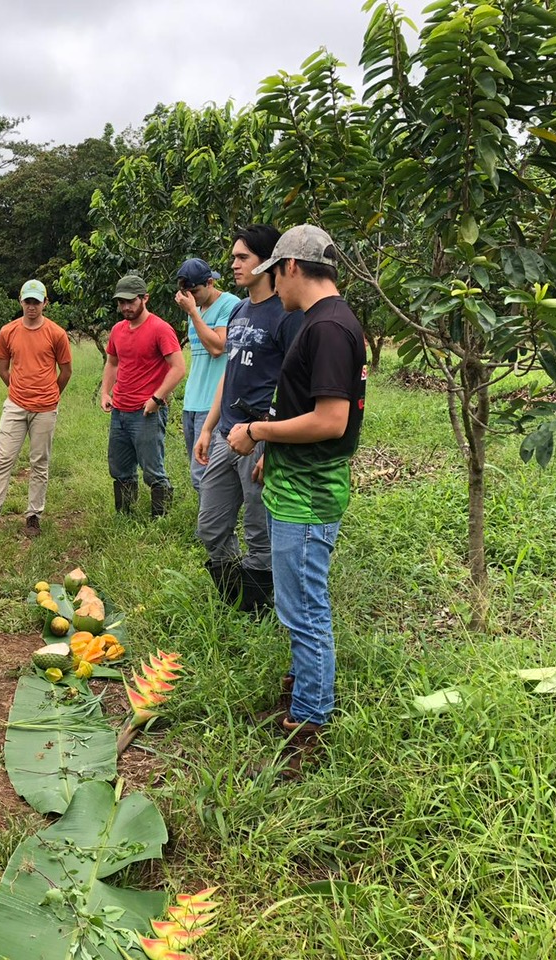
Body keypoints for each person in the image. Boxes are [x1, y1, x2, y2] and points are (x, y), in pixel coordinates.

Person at [226, 223, 366, 781]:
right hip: (294, 480)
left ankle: (310, 720)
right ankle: (302, 690)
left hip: (309, 496)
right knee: (295, 602)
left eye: (270, 274)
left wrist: (258, 432)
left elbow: (332, 421)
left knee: (305, 608)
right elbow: (304, 407)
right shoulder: (319, 321)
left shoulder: (329, 327)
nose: (269, 287)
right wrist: (274, 449)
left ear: (289, 268)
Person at [193, 225, 304, 612]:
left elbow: (294, 385)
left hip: (260, 437)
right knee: (210, 526)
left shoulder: (287, 314)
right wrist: (208, 427)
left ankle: (251, 612)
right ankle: (234, 596)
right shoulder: (239, 310)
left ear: (268, 261)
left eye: (243, 257)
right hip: (227, 435)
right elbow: (231, 371)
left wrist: (270, 446)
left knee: (260, 533)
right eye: (234, 257)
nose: (234, 264)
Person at [0, 279, 72, 537]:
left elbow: (66, 370)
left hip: (45, 408)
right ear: (21, 302)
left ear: (45, 303)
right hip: (15, 405)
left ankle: (33, 516)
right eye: (28, 301)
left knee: (40, 462)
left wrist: (50, 394)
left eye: (37, 302)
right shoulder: (8, 332)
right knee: (3, 459)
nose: (32, 307)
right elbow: (3, 368)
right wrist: (18, 389)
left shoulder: (56, 333)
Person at [100, 273, 185, 517]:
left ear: (144, 298)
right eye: (121, 302)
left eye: (131, 301)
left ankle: (160, 519)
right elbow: (112, 363)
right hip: (120, 410)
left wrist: (157, 399)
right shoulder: (117, 330)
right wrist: (105, 392)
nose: (125, 307)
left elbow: (178, 368)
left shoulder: (160, 329)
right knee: (119, 467)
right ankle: (125, 515)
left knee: (152, 470)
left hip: (146, 411)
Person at [174, 258, 240, 494]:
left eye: (195, 291)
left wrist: (192, 313)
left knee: (206, 476)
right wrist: (194, 311)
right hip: (192, 402)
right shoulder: (197, 309)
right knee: (198, 475)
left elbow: (217, 347)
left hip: (213, 403)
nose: (191, 297)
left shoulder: (230, 304)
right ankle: (208, 527)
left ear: (210, 282)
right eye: (186, 292)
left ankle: (212, 529)